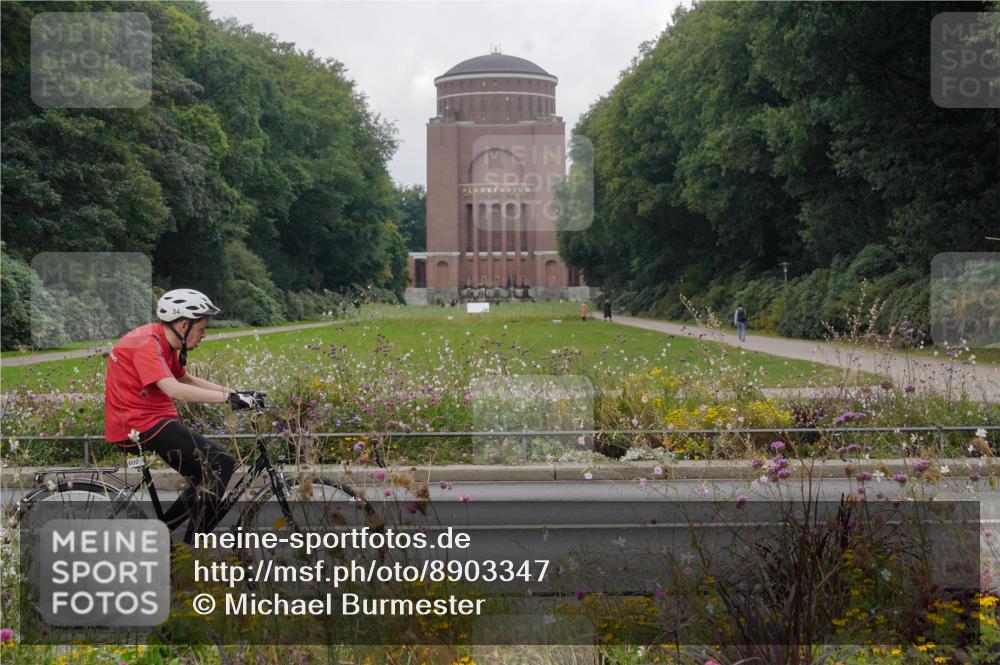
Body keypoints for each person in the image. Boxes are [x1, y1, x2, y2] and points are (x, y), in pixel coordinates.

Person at [104, 289, 264, 543]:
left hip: (152, 419)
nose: (204, 335)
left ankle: (167, 537)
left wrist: (237, 393)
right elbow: (174, 389)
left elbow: (184, 377)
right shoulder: (146, 343)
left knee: (207, 474)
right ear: (183, 324)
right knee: (221, 463)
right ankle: (192, 547)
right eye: (201, 329)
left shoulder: (162, 341)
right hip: (140, 424)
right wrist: (228, 399)